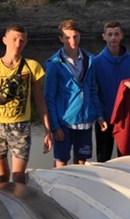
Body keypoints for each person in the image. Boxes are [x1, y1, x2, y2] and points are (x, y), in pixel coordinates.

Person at [0, 24, 52, 183]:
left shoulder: (31, 67)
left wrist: (48, 130)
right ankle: (5, 206)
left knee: (19, 177)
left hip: (20, 127)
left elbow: (40, 101)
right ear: (5, 40)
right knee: (2, 176)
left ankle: (20, 204)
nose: (17, 44)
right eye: (14, 39)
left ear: (26, 42)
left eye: (21, 40)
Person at [44, 19, 107, 167]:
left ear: (80, 36)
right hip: (64, 121)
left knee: (81, 161)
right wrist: (54, 126)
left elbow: (92, 90)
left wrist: (99, 116)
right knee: (61, 161)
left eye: (75, 36)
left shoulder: (90, 60)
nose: (72, 40)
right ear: (61, 38)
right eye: (67, 37)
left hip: (86, 120)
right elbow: (49, 97)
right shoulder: (54, 64)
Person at [93, 20, 130, 162]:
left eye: (116, 34)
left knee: (126, 159)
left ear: (122, 36)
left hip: (125, 118)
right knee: (103, 159)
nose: (113, 38)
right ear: (104, 36)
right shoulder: (96, 62)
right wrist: (99, 116)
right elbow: (92, 92)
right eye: (110, 34)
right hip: (104, 119)